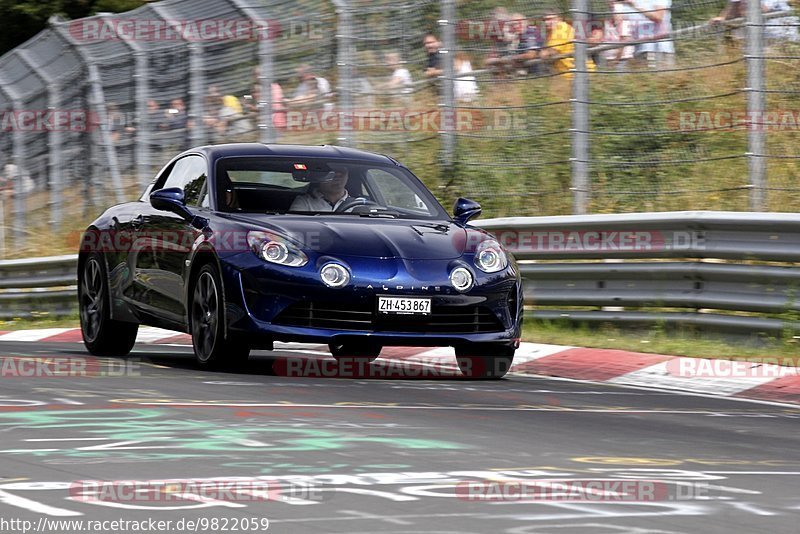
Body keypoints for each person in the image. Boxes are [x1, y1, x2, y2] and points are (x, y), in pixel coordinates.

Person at [619, 0, 675, 68]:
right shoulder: (628, 3)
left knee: (662, 77)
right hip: (638, 50)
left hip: (658, 48)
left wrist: (635, 6)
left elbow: (658, 17)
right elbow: (621, 24)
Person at [539, 10, 597, 75]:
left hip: (579, 73)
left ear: (559, 19)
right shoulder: (552, 32)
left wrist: (542, 53)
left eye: (550, 19)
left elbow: (552, 51)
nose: (547, 22)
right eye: (545, 20)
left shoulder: (561, 28)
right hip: (570, 73)